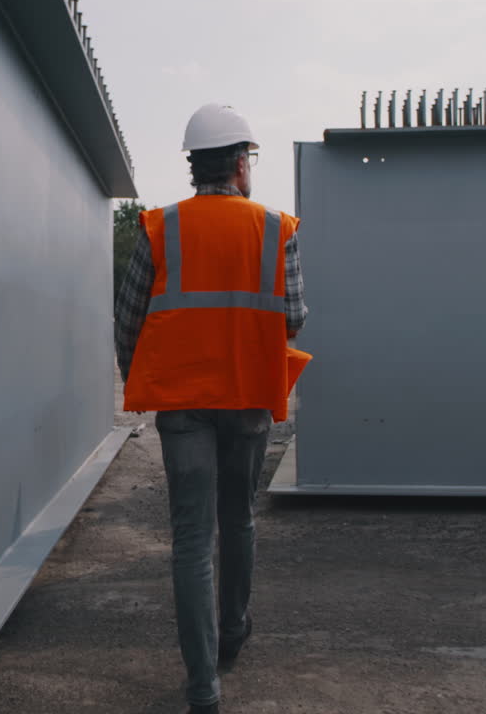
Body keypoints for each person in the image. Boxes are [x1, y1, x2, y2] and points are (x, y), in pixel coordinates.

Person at [114, 103, 308, 714]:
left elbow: (128, 319)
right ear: (239, 163)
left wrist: (145, 378)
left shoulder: (158, 227)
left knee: (192, 540)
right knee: (239, 520)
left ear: (195, 166)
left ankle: (203, 688)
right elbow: (294, 316)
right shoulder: (278, 228)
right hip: (249, 395)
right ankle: (233, 633)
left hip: (184, 406)